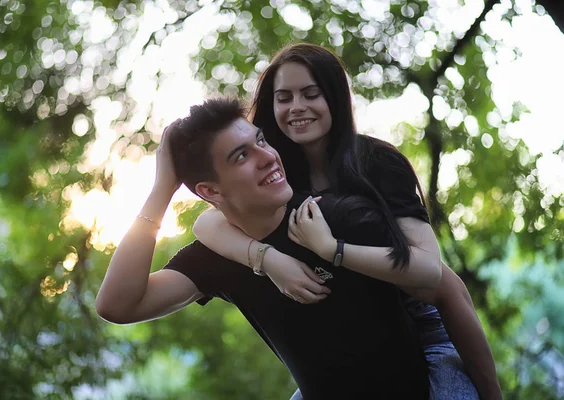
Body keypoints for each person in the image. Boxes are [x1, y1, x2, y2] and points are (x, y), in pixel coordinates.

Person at [192, 43, 502, 400]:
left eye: (311, 94)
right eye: (284, 97)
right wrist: (266, 259)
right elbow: (206, 224)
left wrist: (332, 249)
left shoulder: (378, 164)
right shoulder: (277, 174)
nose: (297, 107)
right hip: (349, 350)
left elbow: (432, 272)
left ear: (337, 98)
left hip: (420, 332)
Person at [96, 98, 432, 399]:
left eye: (260, 140)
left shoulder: (339, 218)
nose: (269, 157)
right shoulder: (218, 257)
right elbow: (118, 306)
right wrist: (162, 189)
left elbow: (441, 288)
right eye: (242, 156)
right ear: (210, 191)